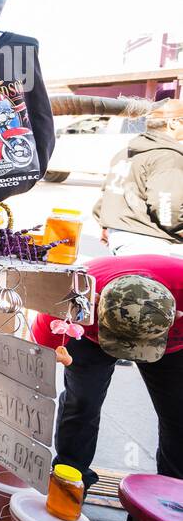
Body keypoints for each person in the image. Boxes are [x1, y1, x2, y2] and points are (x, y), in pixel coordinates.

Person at [35, 254, 183, 488]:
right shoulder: (75, 292)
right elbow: (33, 363)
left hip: (173, 344)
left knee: (178, 412)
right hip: (88, 332)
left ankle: (173, 492)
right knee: (82, 401)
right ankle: (70, 478)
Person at [95, 100, 183, 255]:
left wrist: (107, 225)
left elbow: (105, 198)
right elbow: (166, 207)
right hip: (147, 243)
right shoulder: (168, 156)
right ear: (173, 123)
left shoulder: (125, 152)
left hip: (118, 237)